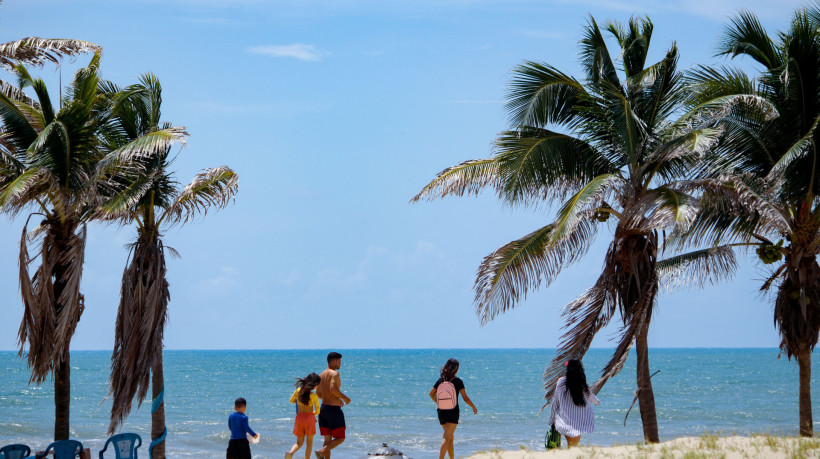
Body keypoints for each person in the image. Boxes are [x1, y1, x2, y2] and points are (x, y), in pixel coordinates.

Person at [429, 358, 477, 459]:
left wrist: (439, 403)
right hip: (453, 411)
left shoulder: (441, 380)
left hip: (441, 411)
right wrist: (473, 407)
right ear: (456, 369)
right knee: (447, 437)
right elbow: (465, 398)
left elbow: (431, 394)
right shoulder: (458, 381)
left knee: (449, 437)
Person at [548, 359, 600, 447]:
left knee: (556, 447)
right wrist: (597, 402)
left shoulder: (561, 382)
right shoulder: (582, 384)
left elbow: (555, 402)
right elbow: (593, 399)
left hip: (563, 423)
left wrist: (551, 420)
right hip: (577, 425)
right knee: (572, 448)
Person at [314, 352, 351, 459]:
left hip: (323, 409)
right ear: (334, 361)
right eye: (339, 361)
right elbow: (333, 389)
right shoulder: (334, 374)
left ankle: (324, 454)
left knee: (327, 440)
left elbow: (319, 393)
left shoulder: (322, 374)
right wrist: (344, 398)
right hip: (333, 411)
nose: (340, 364)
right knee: (340, 438)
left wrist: (333, 398)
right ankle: (322, 451)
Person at [287, 372, 322, 459]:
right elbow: (318, 410)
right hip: (309, 418)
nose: (317, 387)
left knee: (299, 442)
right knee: (309, 443)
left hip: (299, 418)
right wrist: (312, 414)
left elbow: (291, 400)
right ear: (313, 384)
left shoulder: (298, 391)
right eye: (317, 385)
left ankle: (290, 453)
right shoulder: (313, 396)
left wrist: (299, 402)